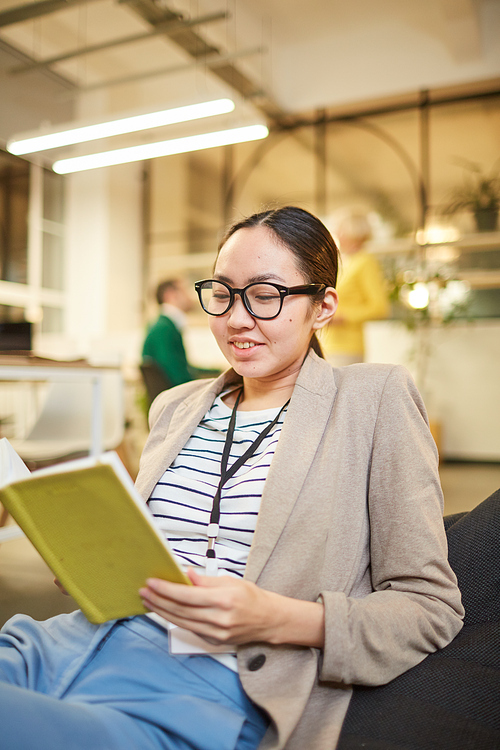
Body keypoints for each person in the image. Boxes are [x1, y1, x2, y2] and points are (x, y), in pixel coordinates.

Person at [0, 206, 463, 750]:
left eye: (265, 295)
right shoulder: (176, 406)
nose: (237, 319)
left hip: (211, 686)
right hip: (65, 643)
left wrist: (276, 618)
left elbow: (430, 608)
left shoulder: (373, 399)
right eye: (222, 293)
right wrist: (90, 560)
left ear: (323, 306)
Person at [322, 208, 389, 365]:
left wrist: (343, 317)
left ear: (353, 234)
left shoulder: (366, 262)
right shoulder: (343, 262)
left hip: (347, 348)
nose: (337, 234)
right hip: (326, 344)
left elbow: (380, 307)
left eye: (341, 230)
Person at [142, 277, 196, 387]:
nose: (190, 296)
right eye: (185, 290)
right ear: (171, 295)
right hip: (173, 398)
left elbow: (180, 366)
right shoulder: (164, 329)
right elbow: (176, 375)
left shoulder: (163, 325)